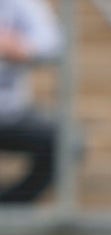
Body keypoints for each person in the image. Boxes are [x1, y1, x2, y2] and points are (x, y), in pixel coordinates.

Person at [0, 0, 62, 202]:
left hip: (10, 112)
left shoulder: (19, 3)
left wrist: (21, 46)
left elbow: (52, 41)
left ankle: (12, 206)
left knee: (65, 140)